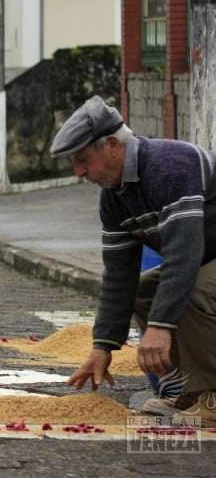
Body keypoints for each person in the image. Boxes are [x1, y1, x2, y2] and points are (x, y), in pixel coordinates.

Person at [55, 96, 216, 426]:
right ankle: (187, 391)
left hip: (201, 255)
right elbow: (119, 277)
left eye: (83, 160)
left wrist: (159, 328)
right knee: (144, 291)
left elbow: (183, 256)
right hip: (204, 255)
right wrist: (103, 345)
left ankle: (211, 396)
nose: (79, 172)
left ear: (112, 144)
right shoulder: (114, 199)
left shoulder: (171, 165)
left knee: (191, 290)